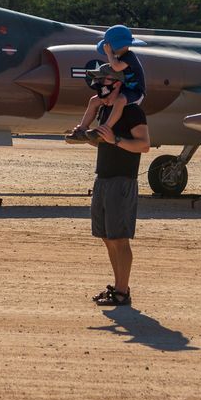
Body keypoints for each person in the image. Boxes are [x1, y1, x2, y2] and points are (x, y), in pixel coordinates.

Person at [83, 64, 151, 306]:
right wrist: (85, 137)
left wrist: (116, 139)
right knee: (107, 237)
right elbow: (105, 143)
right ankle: (119, 286)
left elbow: (144, 145)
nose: (101, 83)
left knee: (119, 238)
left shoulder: (132, 111)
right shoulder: (106, 110)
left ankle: (122, 291)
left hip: (122, 181)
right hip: (103, 178)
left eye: (106, 78)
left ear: (119, 83)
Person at [66, 25, 146, 142]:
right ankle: (81, 129)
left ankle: (104, 129)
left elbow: (117, 67)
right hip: (122, 90)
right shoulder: (119, 57)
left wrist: (109, 54)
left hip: (135, 92)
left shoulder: (129, 56)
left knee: (120, 100)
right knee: (94, 100)